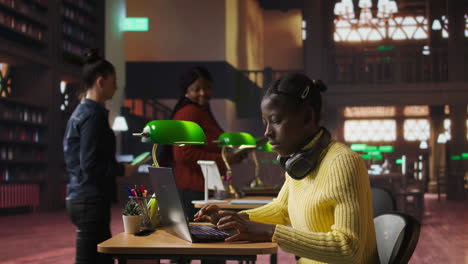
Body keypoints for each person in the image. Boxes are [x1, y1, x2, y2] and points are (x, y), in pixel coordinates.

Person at [195, 73, 379, 264]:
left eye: (275, 120)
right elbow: (282, 209)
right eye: (265, 123)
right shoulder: (299, 161)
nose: (267, 132)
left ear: (307, 117)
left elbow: (348, 248)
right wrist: (236, 219)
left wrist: (270, 232)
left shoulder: (343, 162)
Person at [63, 49, 137, 264]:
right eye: (114, 82)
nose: (116, 87)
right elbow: (90, 164)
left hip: (82, 196)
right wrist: (122, 170)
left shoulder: (81, 112)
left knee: (99, 258)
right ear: (101, 82)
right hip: (89, 198)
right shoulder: (93, 115)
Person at [158, 66, 247, 220]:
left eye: (207, 87)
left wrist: (231, 155)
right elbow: (184, 155)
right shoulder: (189, 112)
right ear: (187, 91)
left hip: (203, 188)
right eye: (196, 88)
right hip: (193, 189)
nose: (203, 92)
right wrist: (225, 159)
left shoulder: (202, 111)